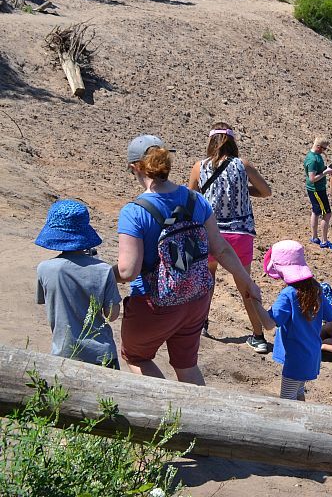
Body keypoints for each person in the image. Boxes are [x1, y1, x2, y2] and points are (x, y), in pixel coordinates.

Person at [116, 134, 260, 385]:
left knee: (136, 357)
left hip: (156, 302)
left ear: (135, 168)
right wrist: (247, 281)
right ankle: (196, 418)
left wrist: (106, 274)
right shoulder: (196, 200)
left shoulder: (134, 212)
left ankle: (168, 411)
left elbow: (128, 271)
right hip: (196, 299)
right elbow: (222, 249)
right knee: (187, 366)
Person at [187, 123, 273, 353]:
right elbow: (266, 191)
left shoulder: (199, 166)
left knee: (207, 280)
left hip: (210, 232)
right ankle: (258, 336)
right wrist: (245, 191)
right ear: (232, 142)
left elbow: (191, 196)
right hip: (240, 234)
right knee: (245, 284)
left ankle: (200, 323)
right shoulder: (243, 165)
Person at [35, 199, 121, 368]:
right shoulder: (103, 270)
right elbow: (112, 315)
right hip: (102, 354)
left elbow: (49, 302)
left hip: (64, 352)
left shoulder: (44, 269)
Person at [250, 240, 332, 400]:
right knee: (298, 393)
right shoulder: (316, 289)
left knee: (286, 401)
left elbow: (269, 324)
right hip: (311, 354)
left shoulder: (288, 295)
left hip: (295, 358)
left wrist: (254, 303)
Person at [303, 136, 332, 250]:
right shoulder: (312, 160)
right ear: (318, 147)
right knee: (327, 214)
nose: (324, 151)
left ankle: (315, 237)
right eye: (324, 149)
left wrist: (326, 169)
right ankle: (324, 241)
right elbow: (312, 178)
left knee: (315, 212)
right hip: (317, 190)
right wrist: (325, 172)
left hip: (316, 189)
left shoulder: (316, 156)